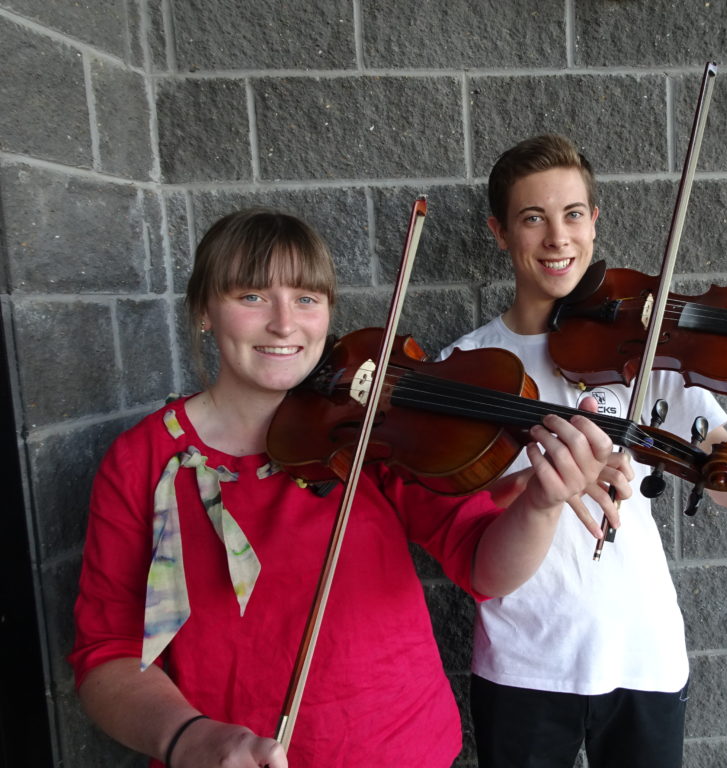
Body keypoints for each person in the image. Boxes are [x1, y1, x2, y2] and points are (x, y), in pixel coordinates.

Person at [69, 208, 628, 768]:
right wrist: (187, 738)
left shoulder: (374, 429)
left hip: (403, 749)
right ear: (204, 313)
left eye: (307, 299)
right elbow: (108, 657)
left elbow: (484, 566)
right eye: (251, 297)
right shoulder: (142, 460)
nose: (285, 324)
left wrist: (540, 504)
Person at [436, 134, 727, 768]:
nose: (558, 238)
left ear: (595, 222)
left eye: (573, 214)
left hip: (645, 655)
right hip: (525, 662)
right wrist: (535, 487)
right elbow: (453, 525)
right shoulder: (463, 367)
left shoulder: (645, 348)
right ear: (499, 232)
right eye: (533, 218)